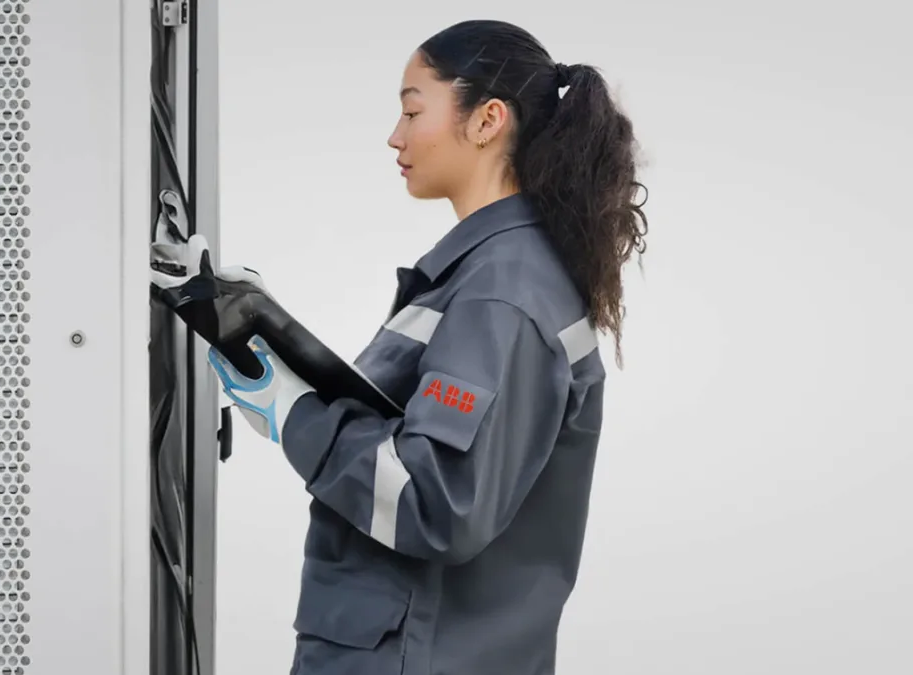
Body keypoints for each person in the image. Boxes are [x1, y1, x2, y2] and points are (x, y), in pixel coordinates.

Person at [206, 19, 648, 675]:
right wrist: (278, 346)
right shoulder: (493, 272)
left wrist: (293, 414)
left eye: (413, 111)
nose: (396, 135)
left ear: (487, 120)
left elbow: (434, 504)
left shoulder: (499, 292)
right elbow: (405, 426)